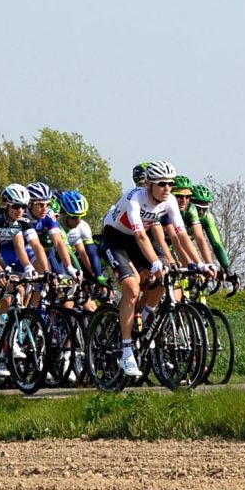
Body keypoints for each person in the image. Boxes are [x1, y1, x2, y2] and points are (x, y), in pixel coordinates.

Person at [97, 163, 189, 380]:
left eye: (171, 184)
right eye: (162, 184)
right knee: (131, 286)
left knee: (164, 279)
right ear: (149, 184)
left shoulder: (170, 201)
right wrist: (155, 261)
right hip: (116, 239)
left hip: (138, 241)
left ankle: (144, 316)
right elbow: (140, 237)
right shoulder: (135, 198)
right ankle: (127, 350)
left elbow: (180, 235)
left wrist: (201, 263)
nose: (168, 188)